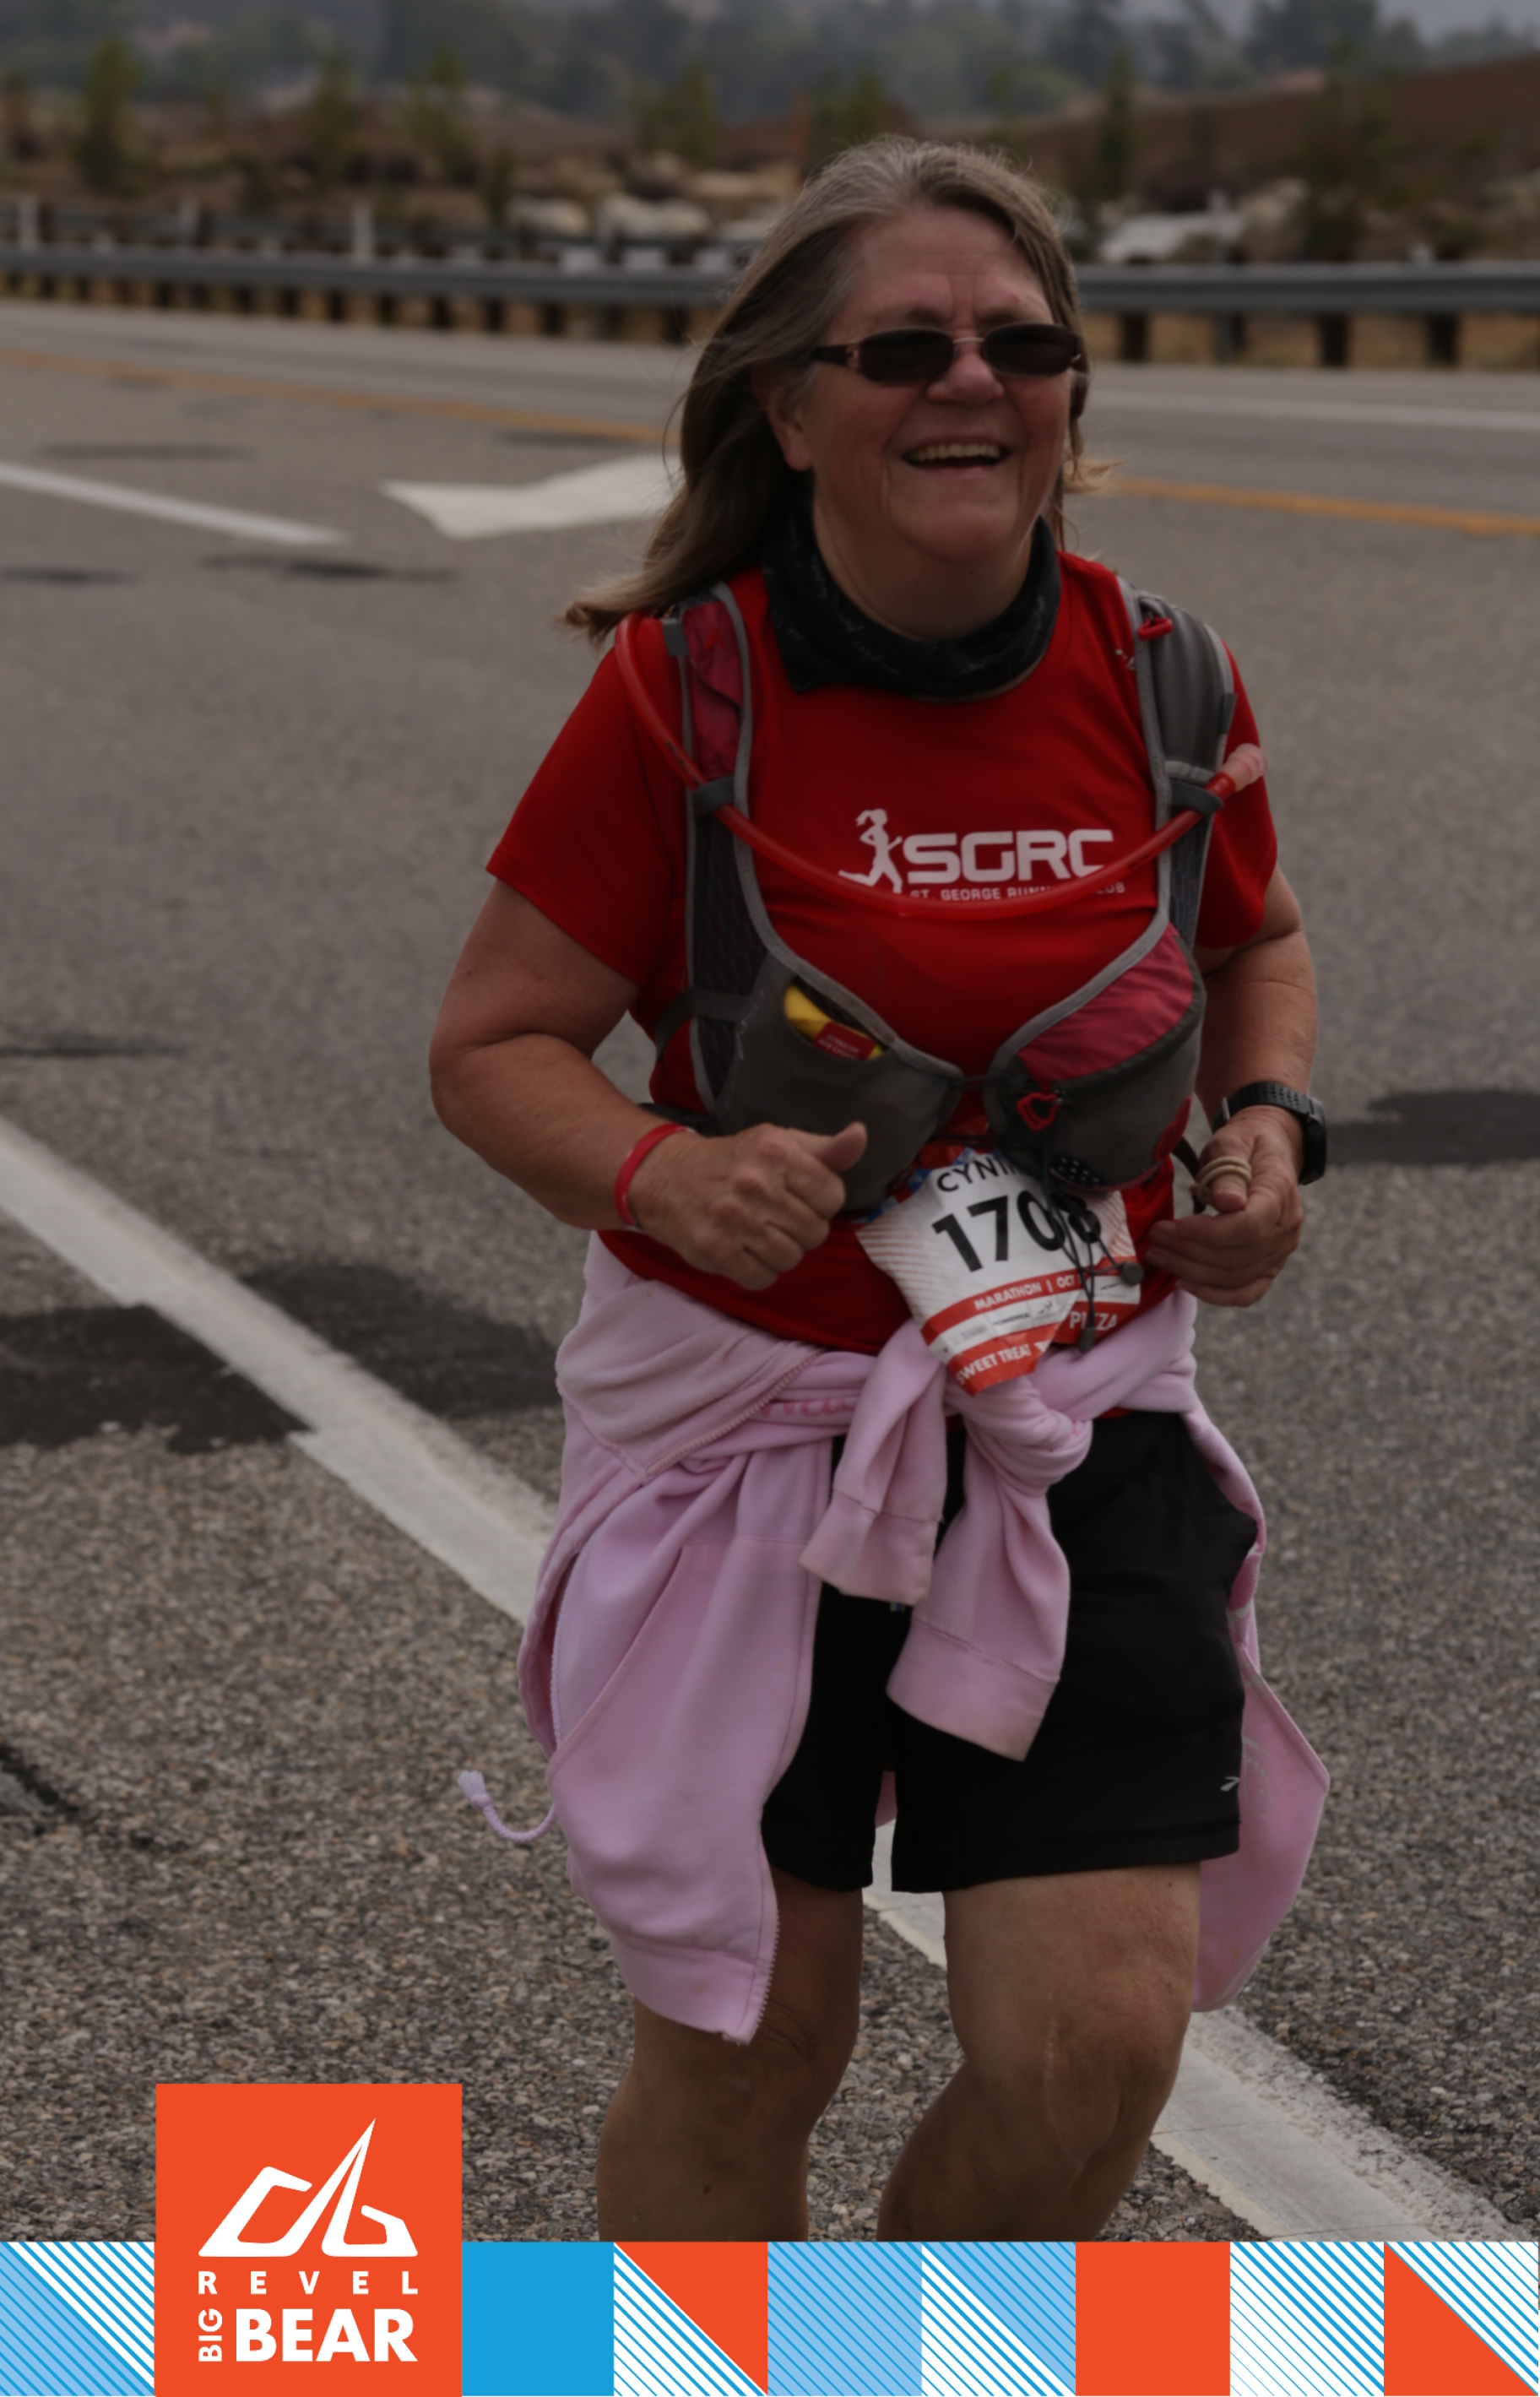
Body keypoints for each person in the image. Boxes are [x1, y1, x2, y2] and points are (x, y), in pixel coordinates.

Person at [431, 137, 1327, 2242]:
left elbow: (1255, 939)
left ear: (1072, 392)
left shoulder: (1166, 679)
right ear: (791, 404)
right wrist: (663, 1173)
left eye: (1024, 344)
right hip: (758, 1444)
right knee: (761, 2041)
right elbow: (491, 1045)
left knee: (1092, 2048)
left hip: (1070, 1416)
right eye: (906, 347)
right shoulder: (689, 692)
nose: (973, 382)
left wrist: (1270, 1129)